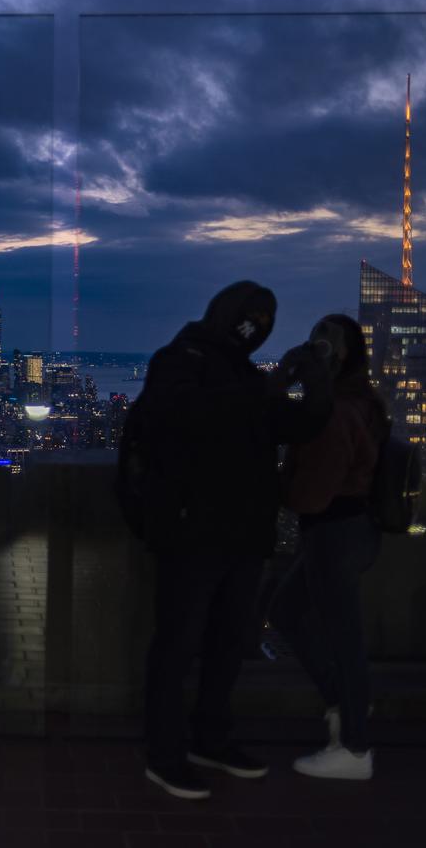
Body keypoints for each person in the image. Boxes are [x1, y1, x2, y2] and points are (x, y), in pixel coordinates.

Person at [136, 281, 332, 800]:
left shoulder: (245, 376)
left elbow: (302, 425)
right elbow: (180, 414)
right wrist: (266, 388)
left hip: (244, 537)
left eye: (264, 323)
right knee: (177, 647)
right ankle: (164, 753)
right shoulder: (179, 360)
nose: (256, 329)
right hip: (191, 534)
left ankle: (210, 739)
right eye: (252, 320)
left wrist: (315, 380)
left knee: (227, 646)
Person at [269, 314, 387, 781]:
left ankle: (355, 748)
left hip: (333, 531)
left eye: (323, 347)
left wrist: (278, 489)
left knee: (344, 640)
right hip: (354, 528)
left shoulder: (335, 410)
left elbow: (312, 491)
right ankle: (346, 704)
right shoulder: (362, 400)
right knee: (287, 611)